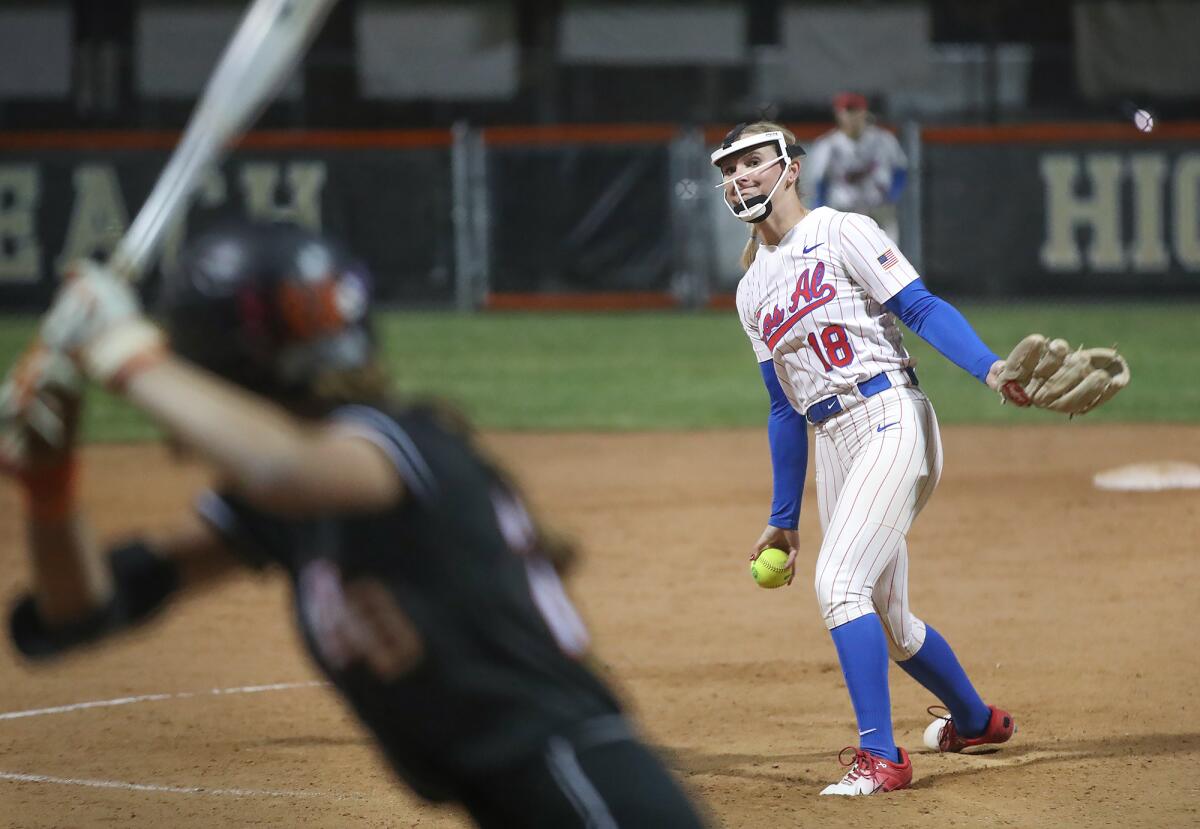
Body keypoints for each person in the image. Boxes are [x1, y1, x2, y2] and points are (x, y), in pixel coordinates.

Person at [0, 221, 708, 828]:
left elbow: (286, 468)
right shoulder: (292, 503)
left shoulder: (397, 444)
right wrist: (51, 490)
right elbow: (83, 606)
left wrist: (124, 353)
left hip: (592, 794)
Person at [710, 121, 1019, 796]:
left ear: (790, 168)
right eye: (729, 169)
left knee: (838, 583)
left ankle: (883, 757)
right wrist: (783, 517)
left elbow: (919, 305)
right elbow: (784, 407)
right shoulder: (750, 290)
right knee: (889, 617)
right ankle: (973, 720)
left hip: (890, 418)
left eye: (754, 162)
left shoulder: (841, 229)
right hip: (834, 444)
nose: (740, 177)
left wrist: (989, 369)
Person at [804, 92, 908, 240]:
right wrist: (819, 210)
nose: (852, 116)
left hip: (879, 207)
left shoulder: (883, 139)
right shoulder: (827, 145)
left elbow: (900, 169)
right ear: (838, 114)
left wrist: (893, 195)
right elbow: (819, 181)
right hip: (844, 210)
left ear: (864, 112)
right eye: (847, 111)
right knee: (846, 257)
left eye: (856, 111)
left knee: (887, 256)